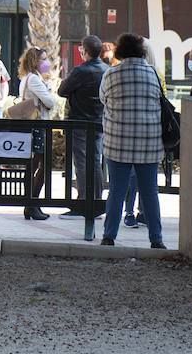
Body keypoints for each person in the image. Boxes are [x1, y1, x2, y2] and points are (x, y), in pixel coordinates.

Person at [98, 34, 168, 249]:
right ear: (141, 52)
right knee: (150, 192)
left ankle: (109, 236)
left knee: (117, 191)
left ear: (119, 52)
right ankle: (156, 239)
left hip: (118, 142)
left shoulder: (111, 74)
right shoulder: (153, 74)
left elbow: (103, 98)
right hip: (149, 143)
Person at [57, 36, 107, 217]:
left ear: (85, 51)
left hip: (79, 122)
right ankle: (97, 201)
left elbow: (62, 90)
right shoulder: (106, 70)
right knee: (95, 161)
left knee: (81, 162)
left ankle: (84, 203)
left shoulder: (81, 71)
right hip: (99, 122)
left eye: (80, 50)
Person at [15, 46, 57, 220]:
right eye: (43, 59)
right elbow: (50, 102)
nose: (46, 63)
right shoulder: (34, 80)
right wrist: (49, 92)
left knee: (35, 165)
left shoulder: (28, 78)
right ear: (35, 61)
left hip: (32, 126)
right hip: (37, 126)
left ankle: (31, 204)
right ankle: (32, 204)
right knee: (41, 166)